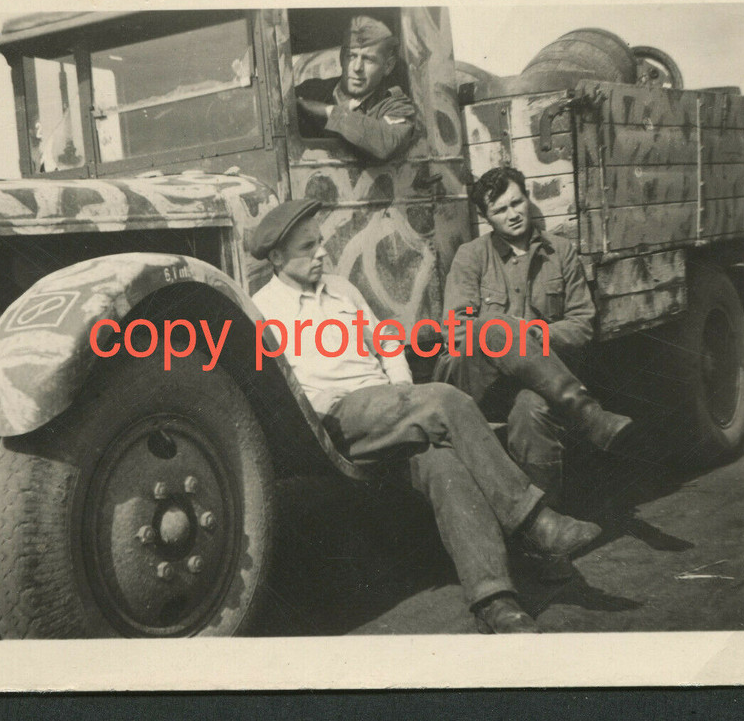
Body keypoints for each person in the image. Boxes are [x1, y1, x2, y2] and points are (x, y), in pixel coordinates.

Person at [250, 199, 605, 633]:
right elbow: (280, 393)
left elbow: (386, 344)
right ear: (276, 258)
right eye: (309, 248)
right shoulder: (262, 311)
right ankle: (534, 520)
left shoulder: (343, 290)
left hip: (390, 405)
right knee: (444, 399)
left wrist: (402, 390)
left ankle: (496, 602)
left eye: (320, 242)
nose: (322, 253)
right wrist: (349, 404)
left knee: (446, 464)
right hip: (339, 417)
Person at [434, 166, 633, 569]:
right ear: (486, 219)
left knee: (531, 409)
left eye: (516, 202)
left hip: (536, 385)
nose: (512, 214)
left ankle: (546, 543)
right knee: (494, 326)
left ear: (527, 199)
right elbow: (456, 331)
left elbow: (581, 327)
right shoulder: (472, 257)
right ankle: (590, 415)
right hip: (477, 380)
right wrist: (510, 333)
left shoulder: (560, 253)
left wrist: (536, 336)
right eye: (499, 210)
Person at [295, 15, 416, 161]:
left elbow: (387, 143)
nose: (357, 67)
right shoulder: (310, 91)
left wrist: (329, 111)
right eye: (351, 56)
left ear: (388, 66)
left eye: (368, 59)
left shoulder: (396, 105)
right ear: (341, 57)